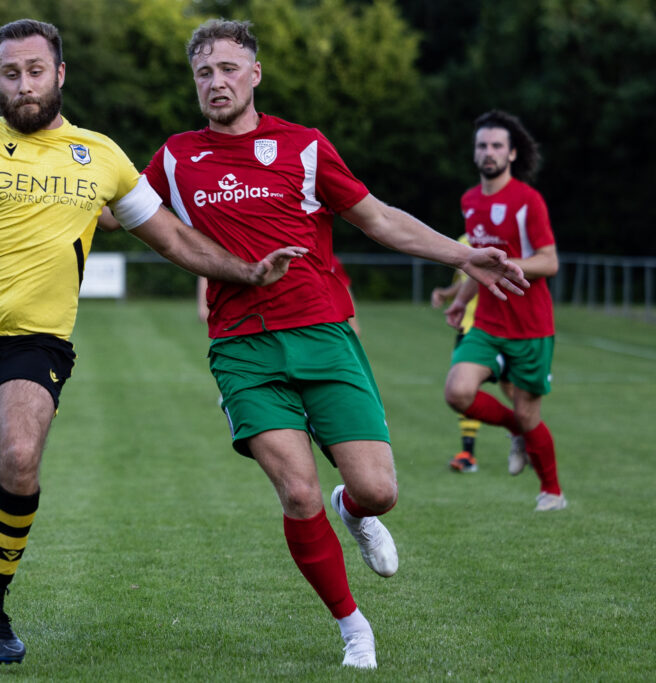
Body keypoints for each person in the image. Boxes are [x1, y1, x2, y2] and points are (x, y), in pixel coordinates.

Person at [0, 18, 305, 665]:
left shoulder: (100, 156)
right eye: (10, 73)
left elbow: (172, 236)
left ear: (60, 74)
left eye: (35, 71)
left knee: (20, 454)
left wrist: (243, 270)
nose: (23, 84)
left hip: (36, 341)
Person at [107, 19, 527, 670]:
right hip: (242, 347)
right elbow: (115, 207)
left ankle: (353, 509)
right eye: (203, 73)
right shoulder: (176, 157)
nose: (215, 82)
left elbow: (380, 218)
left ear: (255, 74)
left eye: (226, 68)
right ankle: (354, 628)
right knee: (297, 492)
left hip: (325, 335)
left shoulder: (304, 147)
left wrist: (469, 254)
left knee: (378, 490)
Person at [443, 110, 565, 511]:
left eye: (497, 145)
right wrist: (461, 302)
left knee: (532, 415)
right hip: (489, 324)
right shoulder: (469, 200)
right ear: (474, 152)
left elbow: (549, 262)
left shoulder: (528, 200)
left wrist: (508, 265)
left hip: (531, 328)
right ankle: (515, 429)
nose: (488, 152)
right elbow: (476, 263)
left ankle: (552, 493)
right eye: (482, 145)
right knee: (458, 391)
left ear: (512, 153)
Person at [431, 234, 516, 473]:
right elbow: (466, 280)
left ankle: (527, 436)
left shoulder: (502, 239)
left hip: (500, 330)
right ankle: (468, 452)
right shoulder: (465, 240)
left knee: (514, 390)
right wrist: (448, 294)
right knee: (465, 390)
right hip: (470, 329)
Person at [199, 253, 359, 333]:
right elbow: (208, 270)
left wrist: (353, 324)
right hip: (248, 324)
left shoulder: (324, 258)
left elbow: (343, 287)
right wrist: (203, 307)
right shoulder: (250, 249)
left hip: (310, 325)